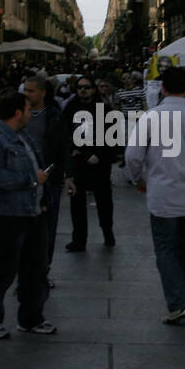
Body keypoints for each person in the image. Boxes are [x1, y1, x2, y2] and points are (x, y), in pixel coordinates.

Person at [125, 68, 185, 324]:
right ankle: (182, 297)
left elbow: (133, 155)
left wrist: (137, 179)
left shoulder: (150, 117)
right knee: (184, 246)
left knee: (166, 249)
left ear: (163, 89)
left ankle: (178, 302)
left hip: (162, 195)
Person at [0, 88, 56, 338]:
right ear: (17, 112)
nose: (32, 113)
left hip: (32, 212)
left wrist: (43, 199)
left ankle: (31, 317)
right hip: (6, 215)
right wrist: (32, 179)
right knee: (2, 269)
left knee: (35, 268)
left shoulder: (21, 135)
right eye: (28, 109)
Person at [62, 75, 116, 251]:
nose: (82, 90)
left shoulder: (104, 109)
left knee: (104, 201)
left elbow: (113, 136)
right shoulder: (70, 108)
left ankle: (108, 232)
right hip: (79, 163)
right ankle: (79, 239)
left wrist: (99, 154)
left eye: (86, 87)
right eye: (79, 87)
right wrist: (77, 154)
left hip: (100, 163)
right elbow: (65, 135)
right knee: (77, 203)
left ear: (93, 89)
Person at [21, 76, 66, 276]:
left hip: (50, 179)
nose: (26, 94)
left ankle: (43, 271)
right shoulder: (19, 115)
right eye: (25, 90)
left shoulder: (54, 115)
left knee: (48, 227)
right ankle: (26, 270)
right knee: (24, 226)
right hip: (23, 179)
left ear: (42, 92)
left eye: (30, 91)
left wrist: (67, 174)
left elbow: (63, 147)